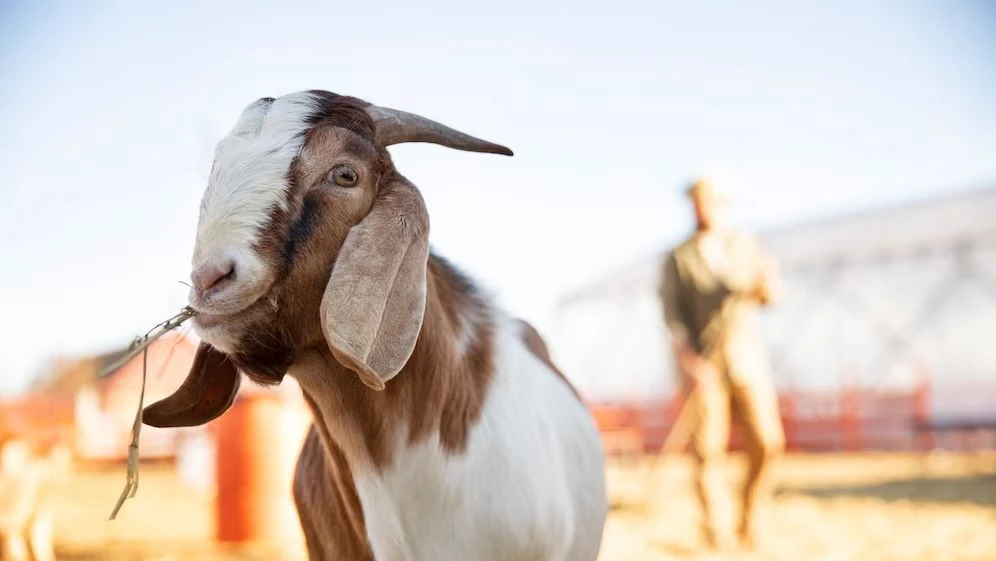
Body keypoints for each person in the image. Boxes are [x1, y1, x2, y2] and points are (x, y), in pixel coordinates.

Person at [658, 176, 785, 551]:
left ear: (723, 205)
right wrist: (689, 363)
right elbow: (672, 317)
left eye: (711, 201)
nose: (704, 208)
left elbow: (770, 296)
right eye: (698, 201)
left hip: (746, 358)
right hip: (702, 365)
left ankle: (751, 518)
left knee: (767, 441)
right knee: (707, 451)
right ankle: (717, 531)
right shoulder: (678, 258)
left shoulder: (746, 247)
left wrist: (767, 285)